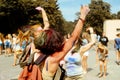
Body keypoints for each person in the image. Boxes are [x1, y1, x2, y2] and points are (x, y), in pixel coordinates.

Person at [33, 5, 91, 80]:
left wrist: (43, 11)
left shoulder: (38, 54)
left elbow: (46, 26)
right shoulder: (53, 59)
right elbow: (73, 37)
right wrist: (83, 16)